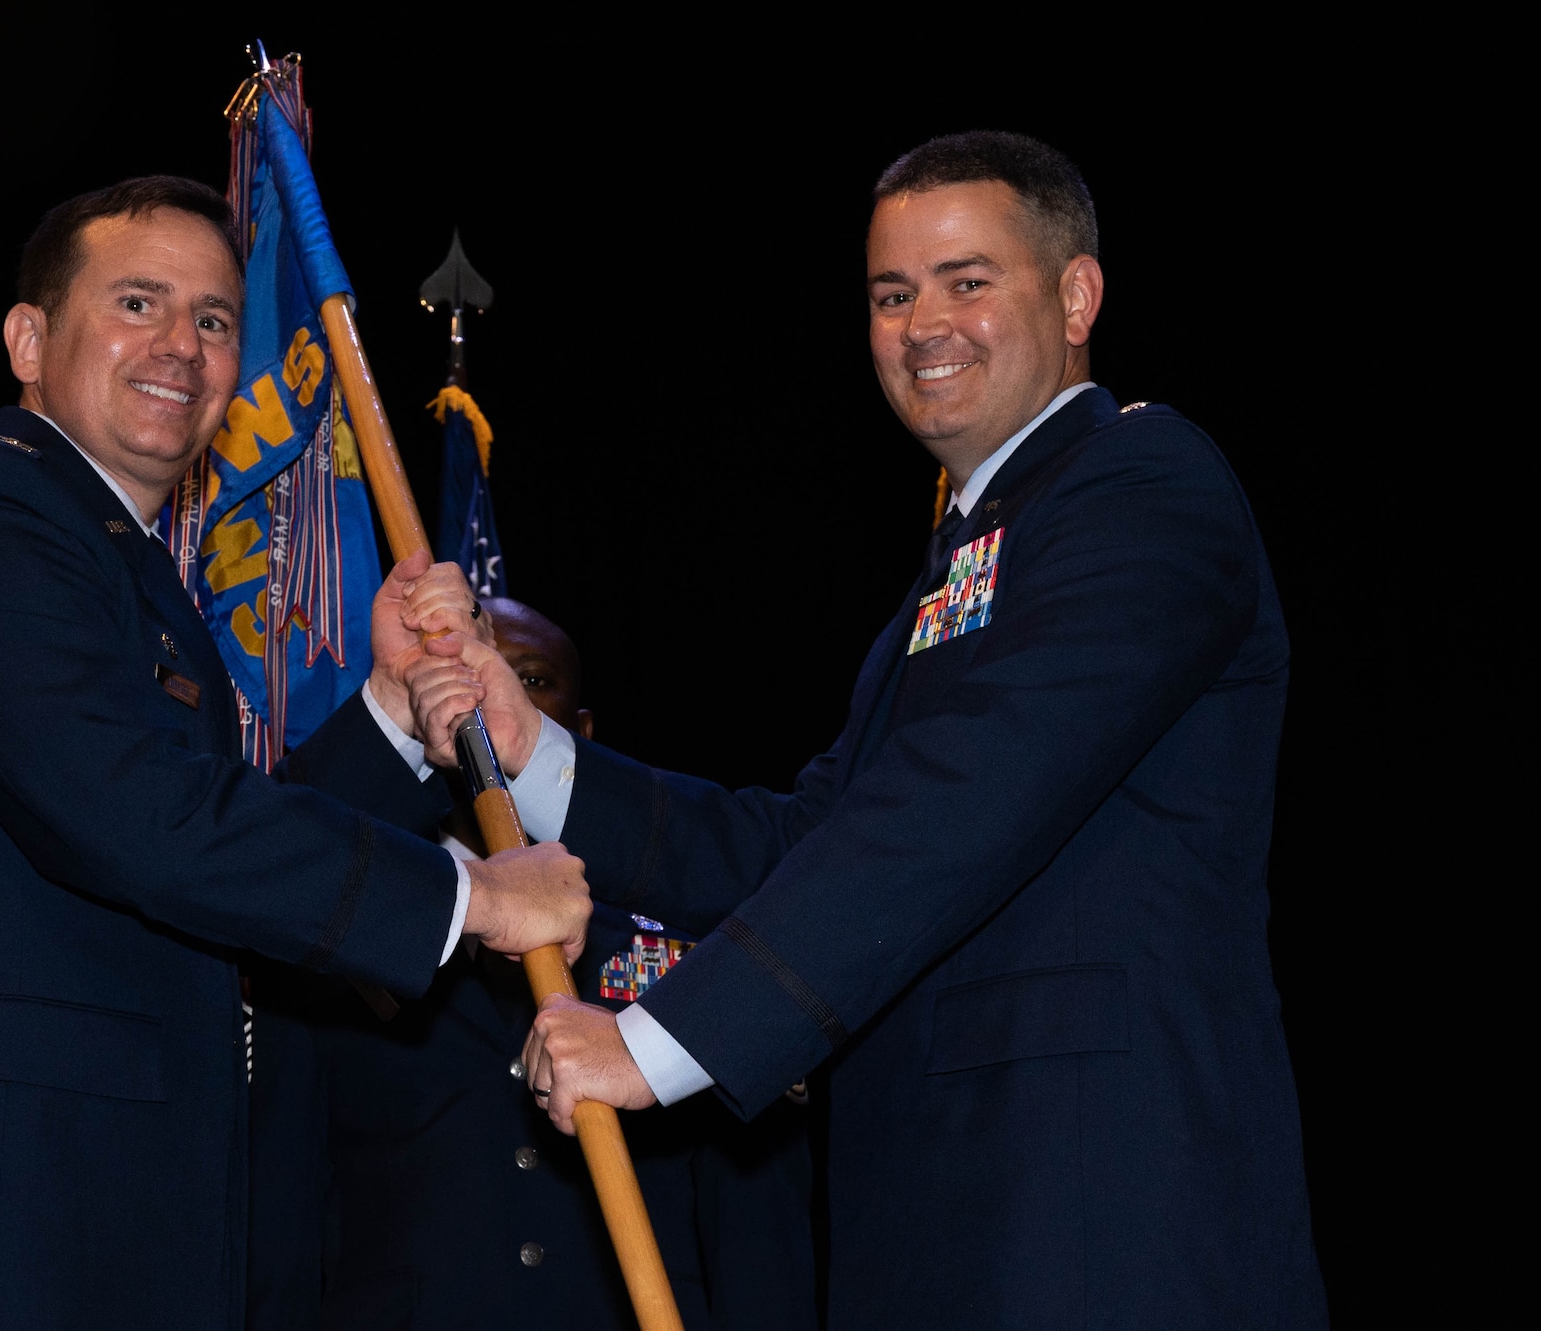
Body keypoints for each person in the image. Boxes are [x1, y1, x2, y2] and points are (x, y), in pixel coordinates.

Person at [409, 133, 1328, 1325]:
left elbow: (965, 794)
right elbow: (802, 842)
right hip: (934, 1221)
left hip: (1098, 1221)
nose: (921, 323)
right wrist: (532, 749)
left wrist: (662, 1038)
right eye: (892, 293)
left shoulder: (1144, 483)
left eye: (966, 280)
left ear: (1076, 295)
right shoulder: (953, 571)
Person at [0, 176, 591, 1330]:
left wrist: (387, 707)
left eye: (215, 319)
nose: (181, 343)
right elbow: (141, 816)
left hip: (104, 1215)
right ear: (30, 338)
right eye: (137, 302)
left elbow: (204, 842)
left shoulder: (116, 564)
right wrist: (473, 896)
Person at [246, 598, 816, 1330]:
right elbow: (283, 1211)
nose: (481, 694)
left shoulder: (682, 939)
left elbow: (755, 1227)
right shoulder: (342, 925)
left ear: (576, 728)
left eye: (532, 678)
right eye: (449, 674)